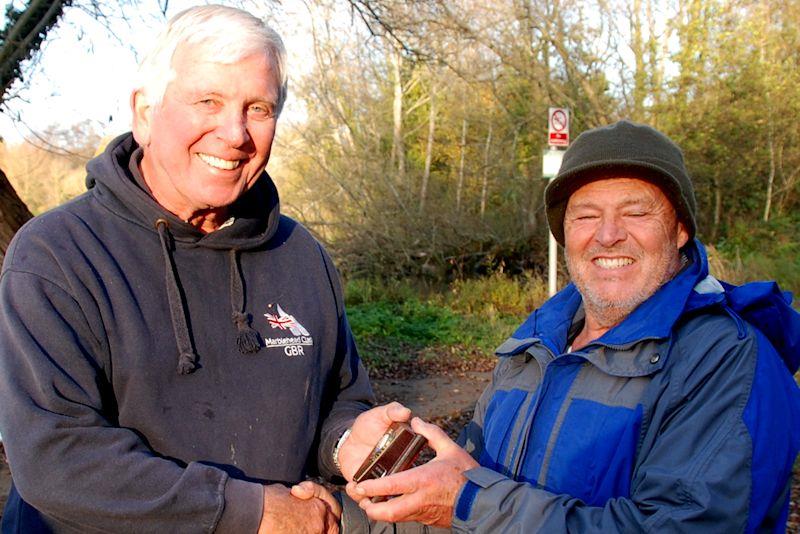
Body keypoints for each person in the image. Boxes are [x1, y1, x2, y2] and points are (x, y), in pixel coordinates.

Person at [0, 5, 403, 533]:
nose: (234, 133)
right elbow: (58, 458)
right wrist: (248, 511)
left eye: (258, 108)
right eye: (208, 101)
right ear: (145, 113)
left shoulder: (302, 256)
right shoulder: (57, 257)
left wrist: (351, 442)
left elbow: (339, 399)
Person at [333, 120, 800, 532]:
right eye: (586, 215)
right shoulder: (534, 348)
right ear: (564, 234)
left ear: (679, 230)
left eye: (636, 212)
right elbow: (451, 500)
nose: (608, 233)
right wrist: (336, 519)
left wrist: (468, 503)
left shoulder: (727, 361)